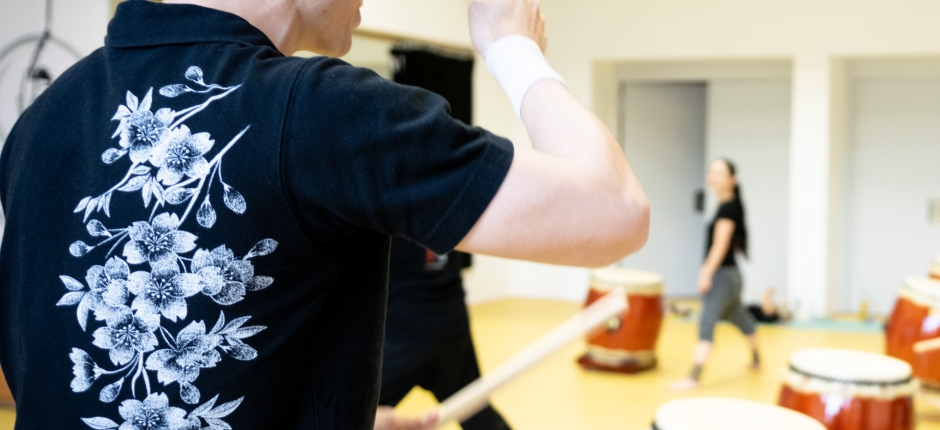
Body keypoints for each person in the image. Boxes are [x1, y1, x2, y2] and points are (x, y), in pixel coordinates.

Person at [0, 0, 650, 429]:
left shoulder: (43, 120)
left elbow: (57, 374)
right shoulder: (322, 110)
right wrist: (511, 47)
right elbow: (612, 210)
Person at [379, 241, 510, 430]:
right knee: (479, 415)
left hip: (405, 332)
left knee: (341, 410)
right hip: (451, 323)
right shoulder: (455, 213)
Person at [670, 159, 760, 391]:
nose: (713, 176)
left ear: (733, 180)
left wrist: (705, 272)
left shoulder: (728, 207)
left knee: (706, 323)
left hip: (722, 277)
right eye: (711, 171)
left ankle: (693, 378)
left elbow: (720, 246)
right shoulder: (730, 204)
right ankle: (757, 359)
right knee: (739, 317)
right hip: (733, 278)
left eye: (720, 172)